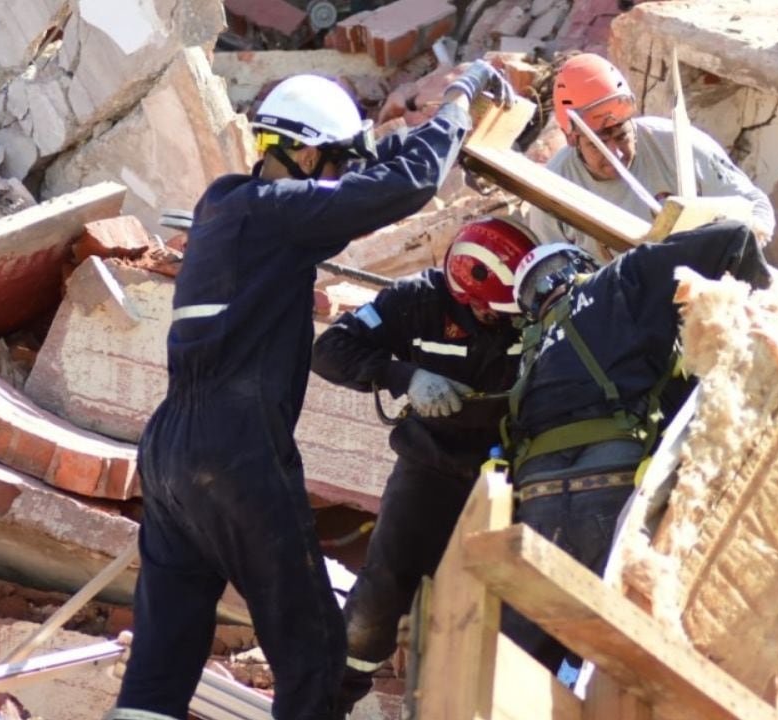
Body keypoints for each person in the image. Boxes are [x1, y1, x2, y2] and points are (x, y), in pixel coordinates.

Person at [108, 62, 515, 720]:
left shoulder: (226, 204)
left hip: (168, 457)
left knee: (161, 665)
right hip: (236, 450)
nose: (335, 180)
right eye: (331, 162)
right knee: (317, 657)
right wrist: (457, 105)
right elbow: (408, 186)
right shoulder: (276, 217)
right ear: (300, 151)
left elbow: (351, 185)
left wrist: (383, 142)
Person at [500, 220, 773, 673]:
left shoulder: (530, 351)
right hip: (613, 487)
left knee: (518, 671)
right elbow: (733, 238)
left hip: (537, 507)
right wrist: (764, 321)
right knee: (629, 665)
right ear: (583, 264)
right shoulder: (618, 279)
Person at [312, 216, 538, 713]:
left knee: (518, 608)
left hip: (515, 474)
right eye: (491, 311)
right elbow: (330, 351)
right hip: (431, 468)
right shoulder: (415, 301)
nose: (502, 319)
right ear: (464, 292)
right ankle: (330, 703)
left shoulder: (536, 306)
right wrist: (404, 376)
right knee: (383, 591)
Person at [526, 53, 775, 263]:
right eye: (598, 144)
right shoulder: (553, 191)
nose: (616, 153)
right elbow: (554, 271)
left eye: (622, 135)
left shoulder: (677, 144)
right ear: (572, 139)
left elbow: (754, 203)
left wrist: (744, 243)